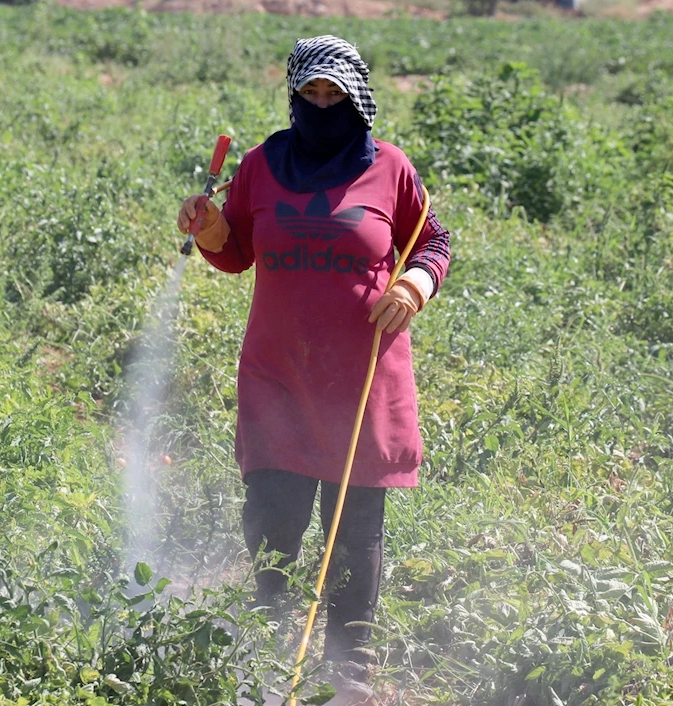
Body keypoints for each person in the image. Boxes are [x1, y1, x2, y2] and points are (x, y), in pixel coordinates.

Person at [176, 35, 451, 706]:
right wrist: (209, 228)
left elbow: (434, 241)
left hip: (362, 380)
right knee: (273, 514)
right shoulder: (261, 164)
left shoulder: (390, 168)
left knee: (355, 529)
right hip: (278, 374)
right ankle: (266, 642)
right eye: (311, 93)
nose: (323, 104)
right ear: (294, 95)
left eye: (336, 94)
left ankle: (347, 668)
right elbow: (235, 248)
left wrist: (414, 284)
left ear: (358, 97)